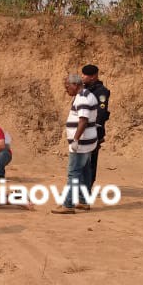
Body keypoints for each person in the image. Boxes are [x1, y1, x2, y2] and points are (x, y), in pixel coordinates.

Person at [51, 74, 98, 214]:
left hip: (82, 142)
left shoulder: (83, 97)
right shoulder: (84, 95)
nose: (66, 89)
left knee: (74, 173)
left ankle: (68, 204)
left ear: (75, 85)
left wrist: (76, 140)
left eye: (67, 86)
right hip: (86, 141)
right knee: (84, 172)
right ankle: (83, 201)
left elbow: (83, 120)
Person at [80, 64, 110, 187]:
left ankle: (88, 185)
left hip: (93, 130)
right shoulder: (85, 89)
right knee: (82, 159)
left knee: (91, 160)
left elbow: (101, 112)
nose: (82, 76)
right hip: (83, 129)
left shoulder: (101, 91)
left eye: (85, 75)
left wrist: (95, 130)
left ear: (93, 77)